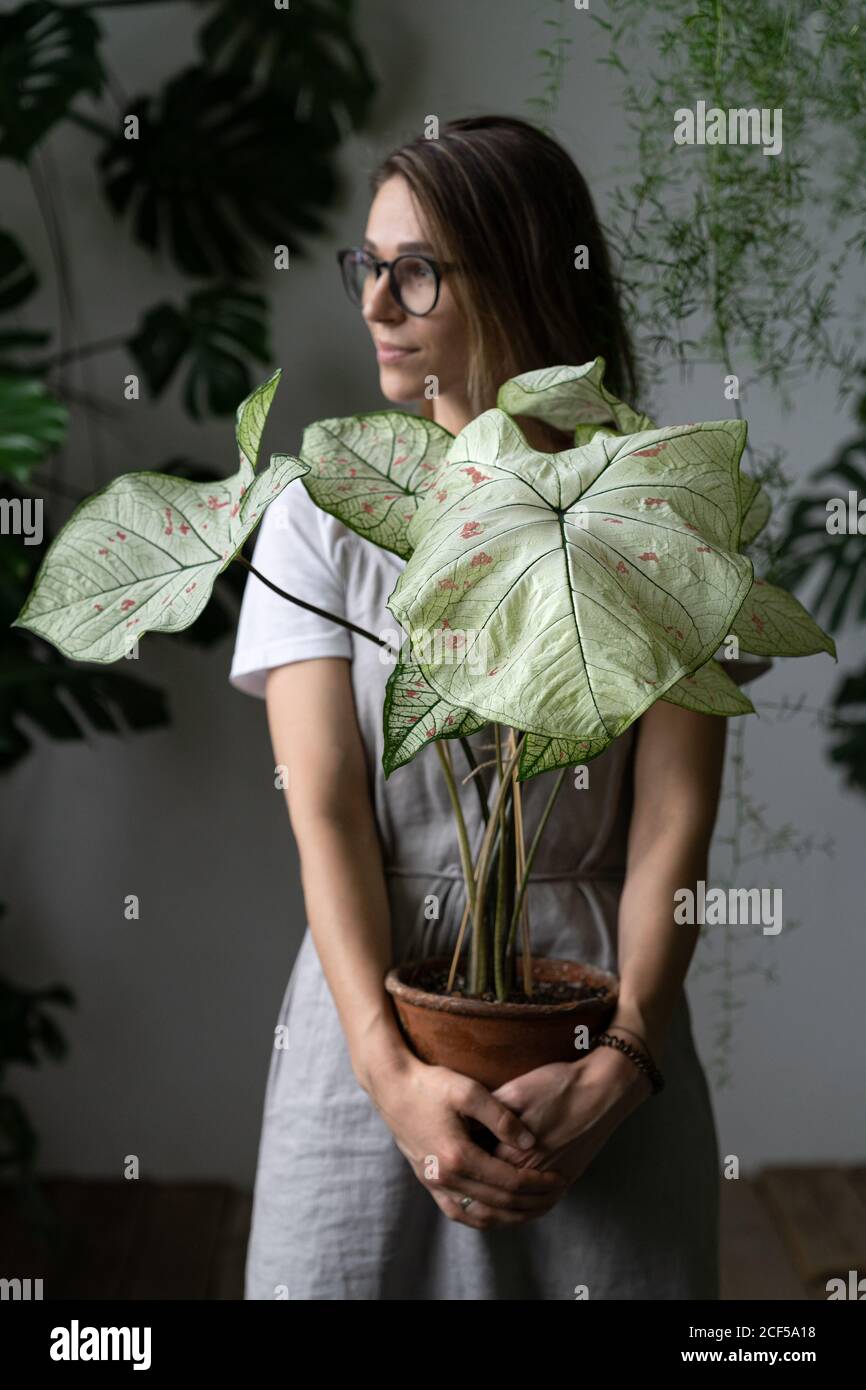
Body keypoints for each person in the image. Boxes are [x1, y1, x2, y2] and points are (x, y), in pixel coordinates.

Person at [228, 115, 767, 1300]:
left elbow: (673, 818)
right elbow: (324, 814)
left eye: (413, 269)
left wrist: (622, 1061)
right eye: (364, 266)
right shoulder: (323, 515)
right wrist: (390, 1076)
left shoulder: (655, 504)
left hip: (589, 1022)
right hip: (373, 1013)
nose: (374, 301)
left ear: (524, 269)